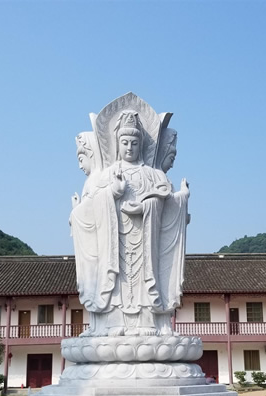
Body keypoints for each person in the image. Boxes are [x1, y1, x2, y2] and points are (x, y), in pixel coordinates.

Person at [71, 111, 190, 337]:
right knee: (116, 283)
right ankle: (112, 323)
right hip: (114, 242)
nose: (129, 147)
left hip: (146, 242)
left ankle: (149, 324)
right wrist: (112, 193)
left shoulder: (154, 175)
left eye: (134, 143)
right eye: (125, 142)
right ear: (117, 143)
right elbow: (91, 207)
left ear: (141, 145)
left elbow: (165, 203)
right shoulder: (107, 175)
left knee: (145, 283)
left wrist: (154, 205)